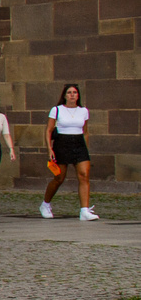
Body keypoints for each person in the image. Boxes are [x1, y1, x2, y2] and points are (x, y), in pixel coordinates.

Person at [42, 83, 94, 220]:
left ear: (78, 96)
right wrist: (49, 149)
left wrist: (85, 148)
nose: (72, 95)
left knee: (84, 175)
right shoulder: (57, 110)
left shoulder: (83, 111)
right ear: (64, 95)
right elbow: (49, 130)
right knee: (59, 177)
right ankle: (45, 204)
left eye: (75, 92)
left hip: (79, 144)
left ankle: (84, 210)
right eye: (69, 92)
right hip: (62, 143)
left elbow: (86, 131)